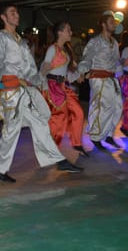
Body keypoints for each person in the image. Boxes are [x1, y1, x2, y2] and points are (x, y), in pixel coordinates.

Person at [0, 4, 83, 183]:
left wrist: (40, 82)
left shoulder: (22, 41)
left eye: (17, 12)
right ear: (3, 17)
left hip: (25, 90)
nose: (16, 15)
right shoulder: (0, 37)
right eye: (12, 13)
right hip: (10, 90)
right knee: (11, 131)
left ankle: (58, 160)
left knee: (40, 123)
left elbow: (30, 68)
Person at [40, 21, 88, 156]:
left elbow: (65, 71)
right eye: (68, 30)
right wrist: (41, 86)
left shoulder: (65, 50)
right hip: (53, 87)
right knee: (59, 118)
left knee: (78, 112)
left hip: (63, 86)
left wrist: (77, 76)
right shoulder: (52, 49)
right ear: (59, 32)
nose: (71, 33)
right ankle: (52, 148)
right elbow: (44, 69)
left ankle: (77, 143)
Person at [77, 12, 123, 150]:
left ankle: (108, 135)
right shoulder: (95, 41)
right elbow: (87, 58)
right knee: (102, 107)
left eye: (114, 22)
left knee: (118, 106)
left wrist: (121, 74)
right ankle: (95, 137)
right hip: (99, 78)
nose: (114, 24)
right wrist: (81, 71)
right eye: (110, 21)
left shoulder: (114, 42)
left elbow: (116, 61)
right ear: (103, 24)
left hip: (111, 79)